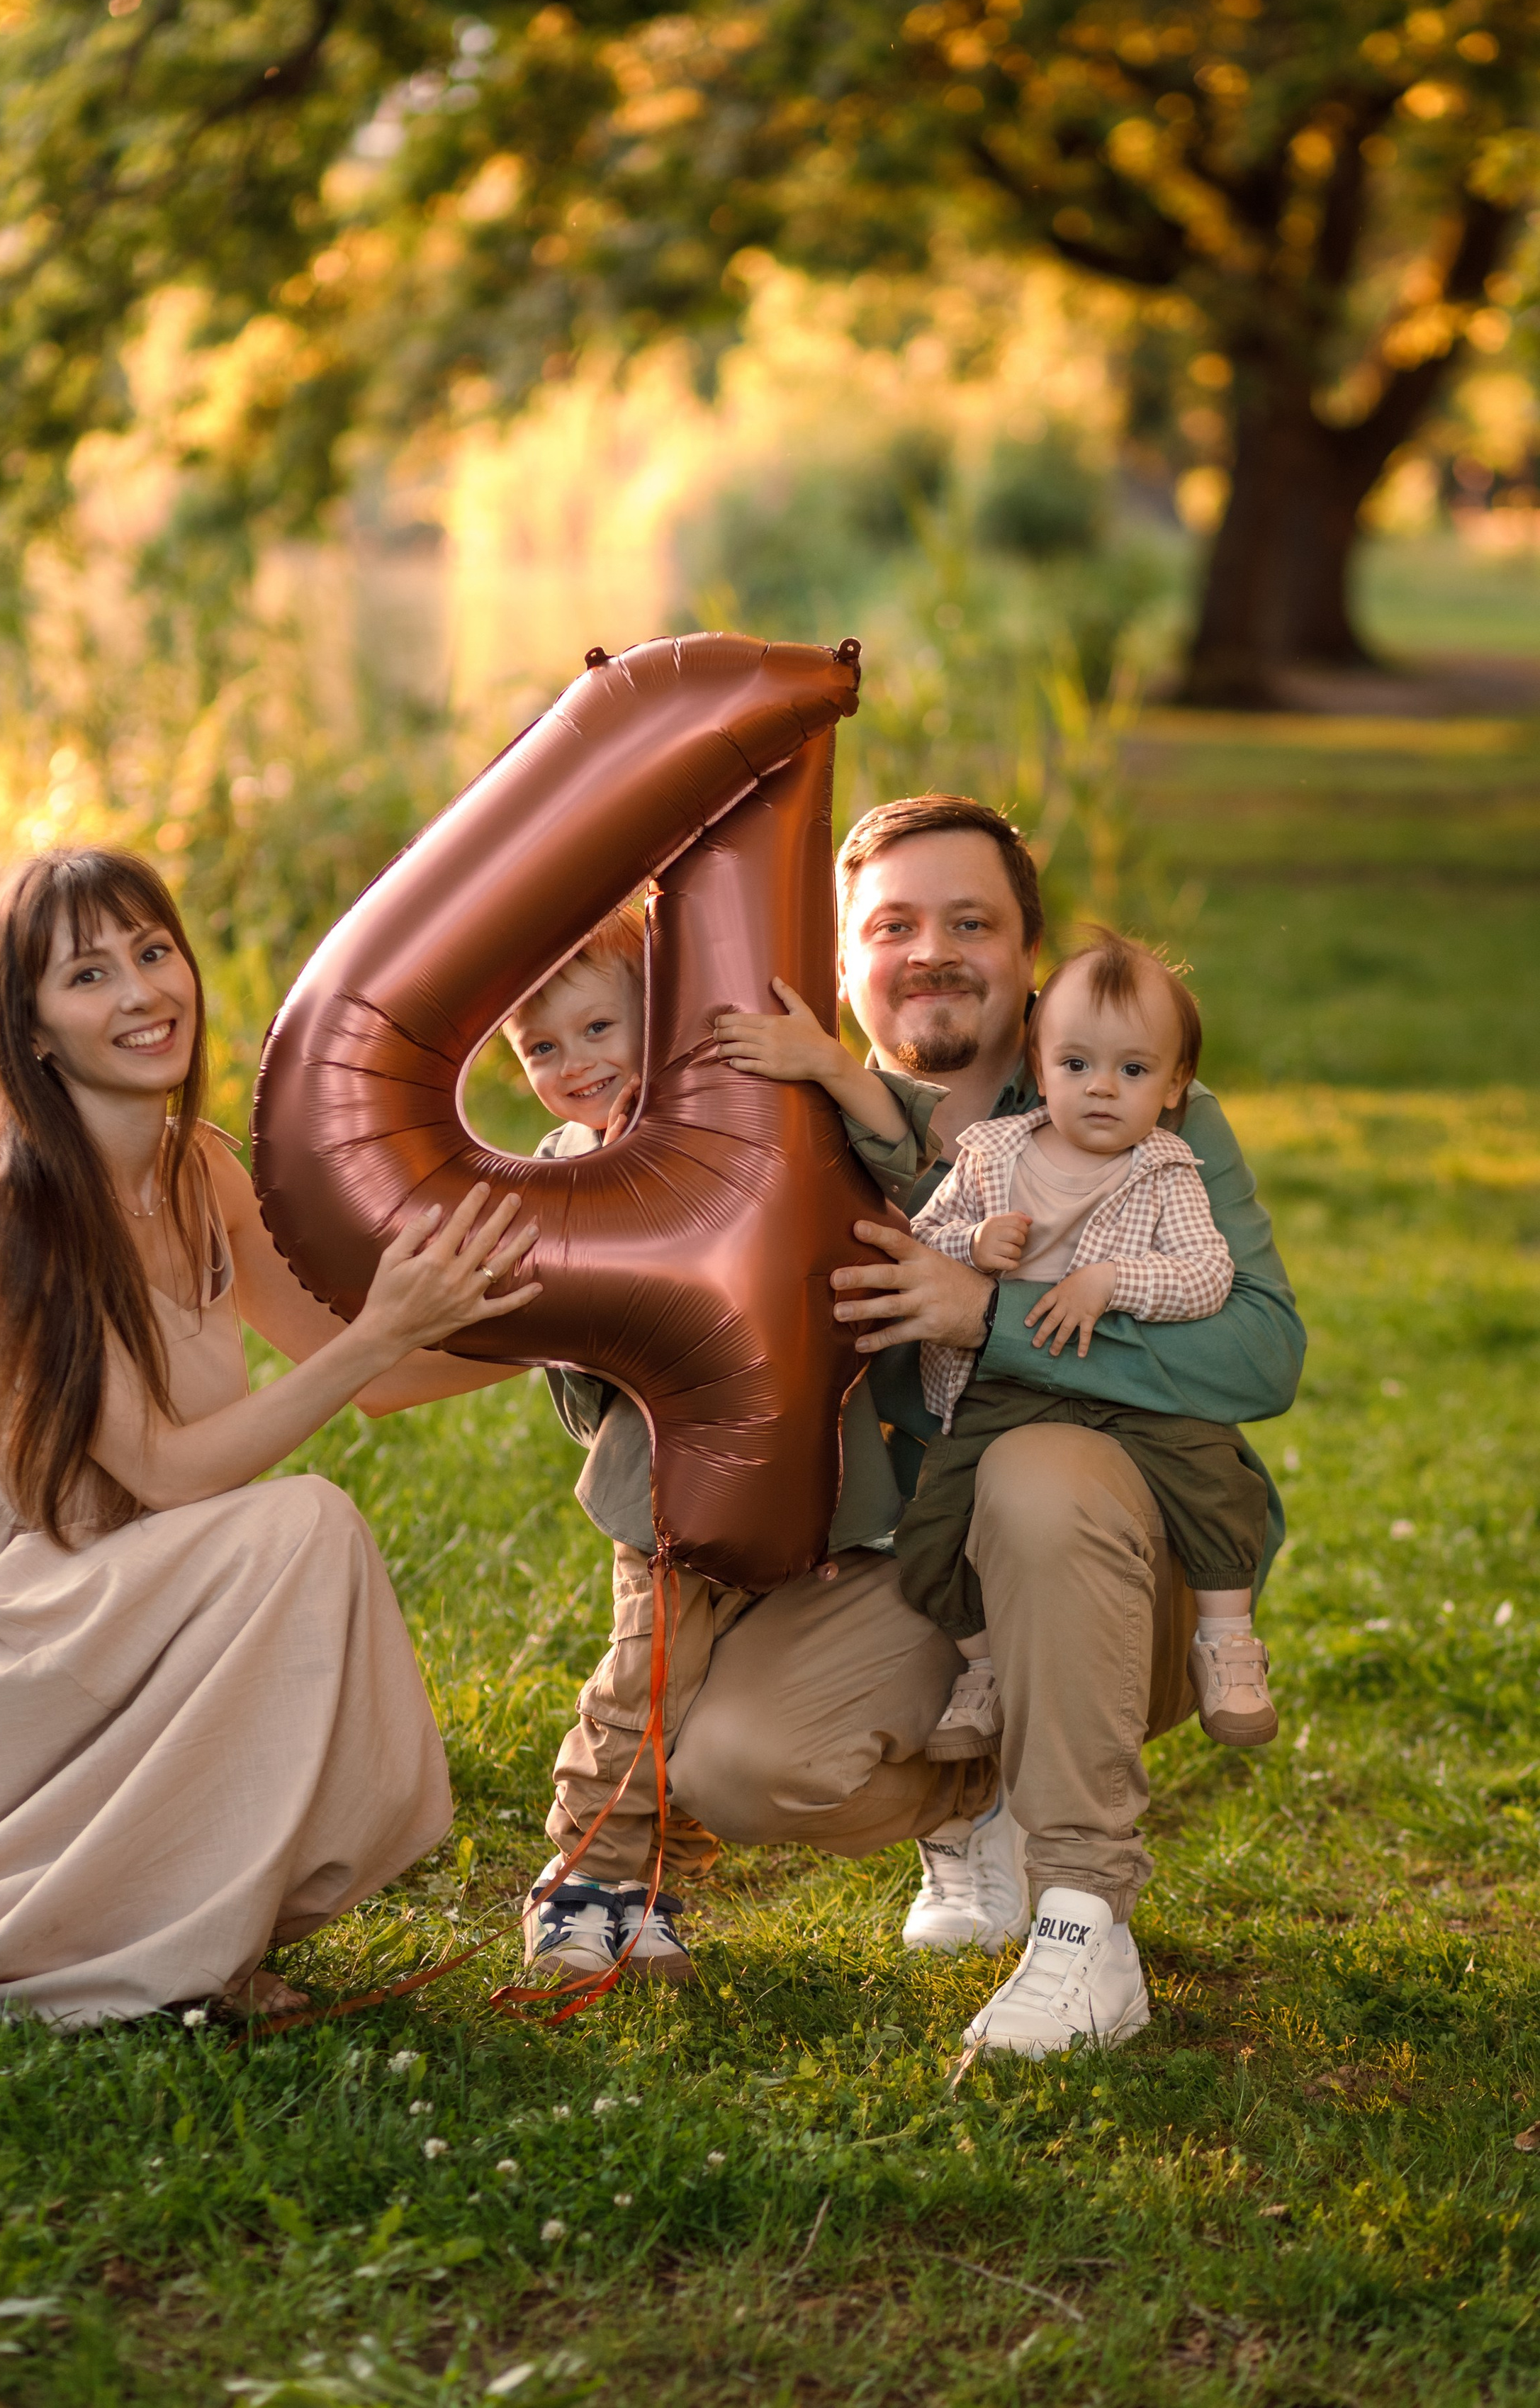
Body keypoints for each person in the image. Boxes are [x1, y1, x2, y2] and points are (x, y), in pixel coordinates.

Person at [0, 847, 537, 2026]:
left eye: (154, 953)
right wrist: (380, 1335)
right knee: (303, 1527)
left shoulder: (197, 1166)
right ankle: (157, 1931)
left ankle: (193, 1920)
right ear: (34, 1031)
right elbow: (164, 1466)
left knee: (293, 1537)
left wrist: (588, 1337)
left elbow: (375, 1368)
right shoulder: (13, 1210)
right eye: (89, 975)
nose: (143, 993)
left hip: (125, 1583)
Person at [669, 793, 1302, 2055]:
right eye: (893, 924)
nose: (933, 951)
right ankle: (984, 1802)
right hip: (933, 1575)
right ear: (843, 962)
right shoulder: (800, 1128)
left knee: (1036, 1470)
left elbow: (1261, 1351)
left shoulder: (1139, 1107)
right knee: (737, 1763)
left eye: (973, 921)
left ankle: (1084, 1926)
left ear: (1028, 957)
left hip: (1118, 1553)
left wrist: (989, 1315)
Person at [500, 905, 955, 1989]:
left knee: (704, 1692)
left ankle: (653, 1884)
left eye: (600, 1030)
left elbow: (923, 1161)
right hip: (664, 1489)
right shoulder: (565, 1165)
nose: (574, 1066)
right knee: (649, 1679)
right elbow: (574, 1379)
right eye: (541, 1049)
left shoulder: (762, 1122)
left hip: (812, 1487)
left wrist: (827, 1070)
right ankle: (584, 1878)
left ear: (660, 1026)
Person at [896, 926, 1277, 1761]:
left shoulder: (1166, 1170)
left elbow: (1208, 1277)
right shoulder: (992, 1155)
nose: (1101, 1089)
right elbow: (926, 1236)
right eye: (1075, 1065)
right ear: (1039, 1067)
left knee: (1215, 1479)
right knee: (930, 1531)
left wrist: (1113, 1282)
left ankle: (1225, 1642)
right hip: (1001, 1390)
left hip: (1126, 1392)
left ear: (1175, 1084)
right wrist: (974, 1244)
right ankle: (983, 1666)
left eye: (1132, 1070)